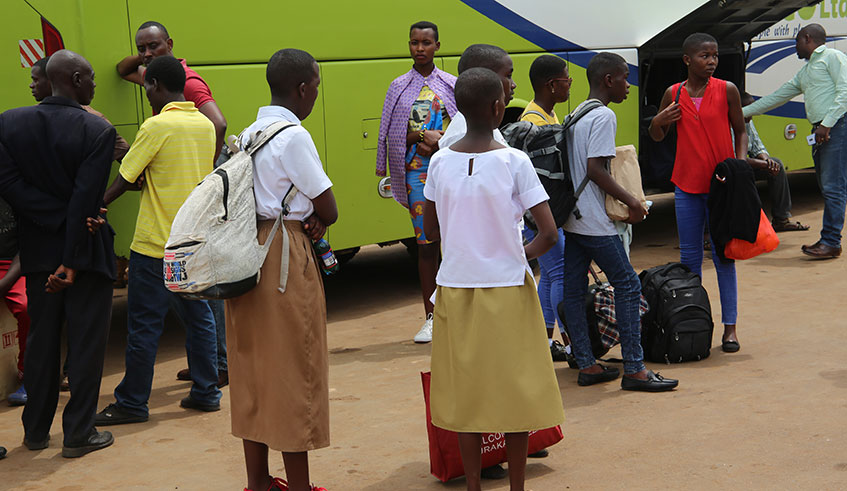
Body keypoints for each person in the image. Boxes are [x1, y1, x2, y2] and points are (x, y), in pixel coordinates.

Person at [423, 67, 565, 491]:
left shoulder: (438, 161)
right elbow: (549, 232)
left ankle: (472, 484)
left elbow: (430, 232)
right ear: (498, 107)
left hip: (455, 288)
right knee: (514, 390)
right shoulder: (513, 161)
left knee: (467, 392)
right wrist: (516, 254)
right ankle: (517, 485)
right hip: (507, 288)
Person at [227, 48, 335, 491]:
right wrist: (319, 217)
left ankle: (258, 482)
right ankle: (300, 485)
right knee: (295, 366)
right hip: (283, 253)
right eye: (316, 87)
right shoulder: (293, 135)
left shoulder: (250, 131)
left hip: (245, 250)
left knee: (253, 370)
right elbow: (328, 205)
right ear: (303, 88)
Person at [0, 49, 117, 457]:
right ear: (79, 80)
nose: (96, 85)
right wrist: (71, 245)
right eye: (91, 78)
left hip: (36, 253)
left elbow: (10, 185)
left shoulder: (8, 123)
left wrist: (53, 218)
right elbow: (86, 201)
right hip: (83, 253)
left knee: (42, 343)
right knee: (85, 346)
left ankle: (34, 432)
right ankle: (78, 434)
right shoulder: (97, 131)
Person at [96, 55, 221, 426]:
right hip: (193, 242)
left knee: (144, 326)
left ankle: (133, 402)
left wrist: (95, 206)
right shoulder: (203, 124)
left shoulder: (155, 125)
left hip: (154, 247)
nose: (145, 91)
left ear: (156, 86)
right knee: (200, 320)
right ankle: (206, 391)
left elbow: (126, 178)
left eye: (147, 85)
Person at [116, 21, 229, 379]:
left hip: (181, 216)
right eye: (141, 47)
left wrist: (203, 171)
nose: (145, 54)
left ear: (170, 44)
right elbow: (123, 69)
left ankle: (219, 364)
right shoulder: (161, 75)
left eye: (153, 46)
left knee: (200, 301)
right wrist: (148, 58)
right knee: (196, 300)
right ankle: (207, 371)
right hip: (182, 224)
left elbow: (219, 123)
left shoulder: (188, 83)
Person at [650, 33, 774, 353]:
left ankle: (730, 328)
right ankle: (693, 322)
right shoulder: (673, 93)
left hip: (721, 187)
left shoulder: (727, 90)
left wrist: (739, 163)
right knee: (689, 260)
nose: (712, 62)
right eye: (705, 56)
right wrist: (659, 121)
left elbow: (741, 129)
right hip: (686, 186)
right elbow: (657, 136)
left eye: (715, 56)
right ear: (687, 60)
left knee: (724, 256)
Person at [563, 52, 678, 391]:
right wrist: (633, 201)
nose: (629, 85)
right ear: (608, 80)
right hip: (596, 221)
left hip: (573, 218)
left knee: (573, 290)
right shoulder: (603, 116)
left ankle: (587, 364)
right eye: (625, 77)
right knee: (628, 286)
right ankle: (635, 369)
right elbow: (595, 170)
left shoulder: (575, 114)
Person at [30, 55, 129, 394]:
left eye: (36, 79)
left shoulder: (96, 124)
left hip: (70, 234)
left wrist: (100, 202)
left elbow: (127, 163)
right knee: (73, 323)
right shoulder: (29, 122)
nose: (32, 86)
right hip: (77, 231)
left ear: (55, 81)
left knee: (71, 321)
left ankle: (49, 408)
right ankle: (77, 427)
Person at [376, 21, 456, 344]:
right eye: (414, 42)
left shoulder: (451, 84)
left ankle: (458, 314)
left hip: (450, 168)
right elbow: (390, 134)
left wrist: (441, 140)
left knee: (455, 242)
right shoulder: (397, 86)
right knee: (426, 245)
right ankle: (431, 317)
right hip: (416, 172)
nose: (419, 48)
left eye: (426, 42)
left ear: (438, 45)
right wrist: (422, 135)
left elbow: (465, 126)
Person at [743, 23, 847, 258]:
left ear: (808, 38)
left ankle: (831, 242)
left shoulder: (832, 56)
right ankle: (830, 241)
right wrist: (741, 112)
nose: (795, 46)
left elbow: (845, 92)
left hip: (835, 126)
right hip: (823, 129)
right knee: (828, 186)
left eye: (797, 41)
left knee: (833, 187)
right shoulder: (808, 70)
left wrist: (826, 124)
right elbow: (778, 97)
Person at [519, 54, 571, 361]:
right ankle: (570, 342)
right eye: (567, 80)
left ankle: (544, 339)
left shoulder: (547, 115)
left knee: (551, 275)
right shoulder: (533, 122)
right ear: (552, 85)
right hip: (540, 217)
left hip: (546, 213)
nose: (569, 86)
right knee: (561, 273)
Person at [740, 91, 809, 232]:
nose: (752, 114)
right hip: (733, 169)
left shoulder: (748, 122)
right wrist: (763, 164)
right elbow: (735, 158)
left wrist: (767, 161)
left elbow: (758, 147)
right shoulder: (725, 124)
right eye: (749, 110)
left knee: (776, 164)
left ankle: (781, 219)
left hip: (746, 165)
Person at [437, 44, 512, 150]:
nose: (513, 84)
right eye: (508, 76)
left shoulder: (484, 127)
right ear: (484, 77)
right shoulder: (461, 135)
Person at [0, 199, 29, 407]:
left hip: (15, 266)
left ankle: (28, 376)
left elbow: (29, 244)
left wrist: (4, 283)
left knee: (29, 307)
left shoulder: (14, 186)